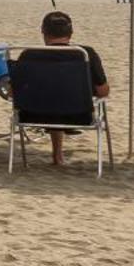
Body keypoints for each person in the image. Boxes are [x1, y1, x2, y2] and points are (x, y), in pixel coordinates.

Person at [37, 10, 109, 167]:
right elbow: (103, 91)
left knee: (54, 99)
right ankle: (57, 155)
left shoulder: (30, 55)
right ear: (71, 33)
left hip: (35, 116)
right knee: (60, 99)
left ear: (43, 31)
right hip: (80, 115)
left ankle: (57, 155)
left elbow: (14, 93)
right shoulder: (85, 54)